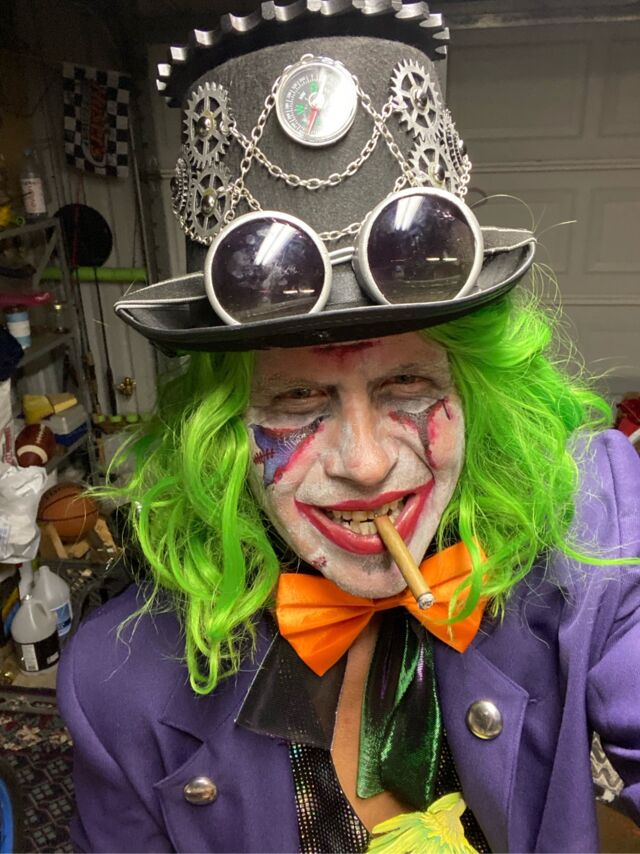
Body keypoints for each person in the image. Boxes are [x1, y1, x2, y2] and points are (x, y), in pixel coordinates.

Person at [58, 3, 640, 852]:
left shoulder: (596, 518)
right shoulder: (117, 681)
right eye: (298, 398)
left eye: (407, 382)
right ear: (222, 430)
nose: (365, 465)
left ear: (476, 388)